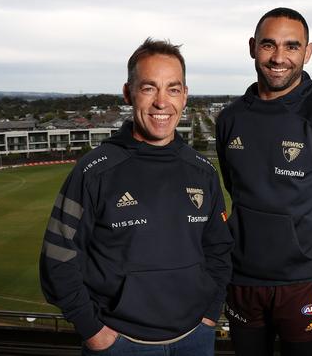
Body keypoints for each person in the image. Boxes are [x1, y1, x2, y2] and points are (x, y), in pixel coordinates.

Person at [40, 38, 233, 356]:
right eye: (148, 88)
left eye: (172, 89)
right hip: (121, 345)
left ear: (184, 96)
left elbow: (220, 251)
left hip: (195, 339)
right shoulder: (94, 171)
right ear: (128, 93)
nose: (162, 102)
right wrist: (93, 331)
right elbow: (57, 259)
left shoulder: (202, 171)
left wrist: (210, 314)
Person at [215, 8, 312, 356]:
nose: (279, 58)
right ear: (253, 47)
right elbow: (235, 186)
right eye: (269, 45)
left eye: (292, 46)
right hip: (242, 278)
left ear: (308, 52)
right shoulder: (230, 118)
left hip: (303, 283)